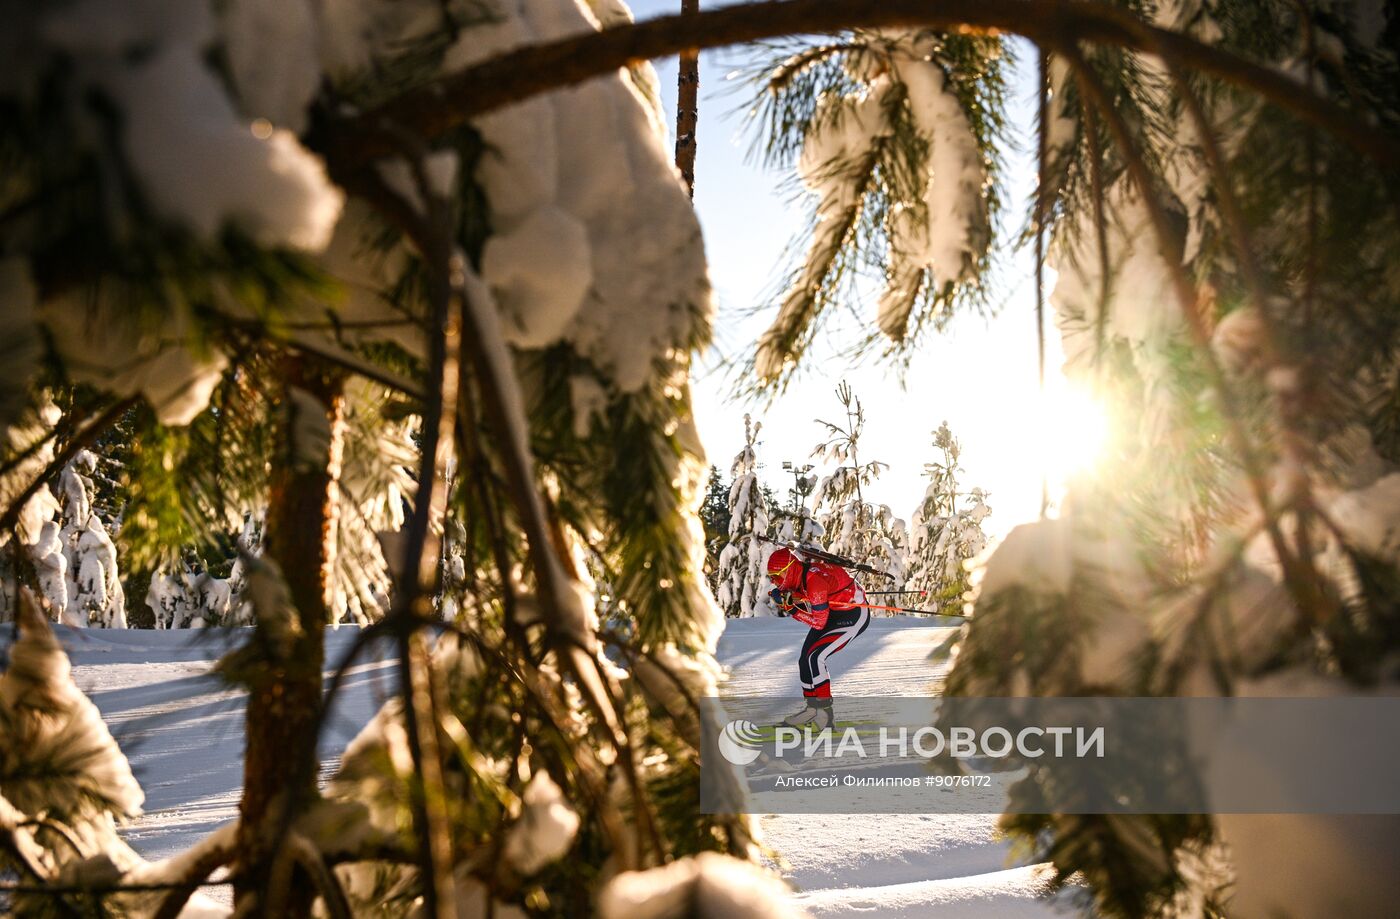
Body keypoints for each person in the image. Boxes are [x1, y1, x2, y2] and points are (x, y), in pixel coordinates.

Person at [766, 546, 871, 730]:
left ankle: (825, 716)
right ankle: (812, 710)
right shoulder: (799, 574)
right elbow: (806, 598)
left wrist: (791, 609)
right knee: (804, 659)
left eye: (777, 576)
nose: (774, 581)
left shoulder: (814, 582)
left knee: (815, 657)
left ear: (789, 570)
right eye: (771, 577)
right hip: (832, 613)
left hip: (853, 614)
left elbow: (818, 623)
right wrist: (790, 597)